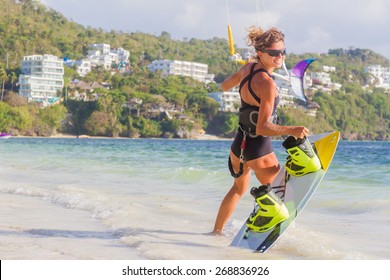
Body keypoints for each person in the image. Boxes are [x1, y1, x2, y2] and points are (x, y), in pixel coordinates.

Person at [212, 26, 309, 235]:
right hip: (258, 148)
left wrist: (244, 73)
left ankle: (216, 233)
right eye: (274, 53)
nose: (280, 56)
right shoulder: (267, 83)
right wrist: (293, 129)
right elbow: (263, 126)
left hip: (239, 145)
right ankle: (265, 222)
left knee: (238, 190)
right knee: (285, 196)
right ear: (260, 53)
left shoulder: (248, 69)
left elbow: (223, 86)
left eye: (283, 52)